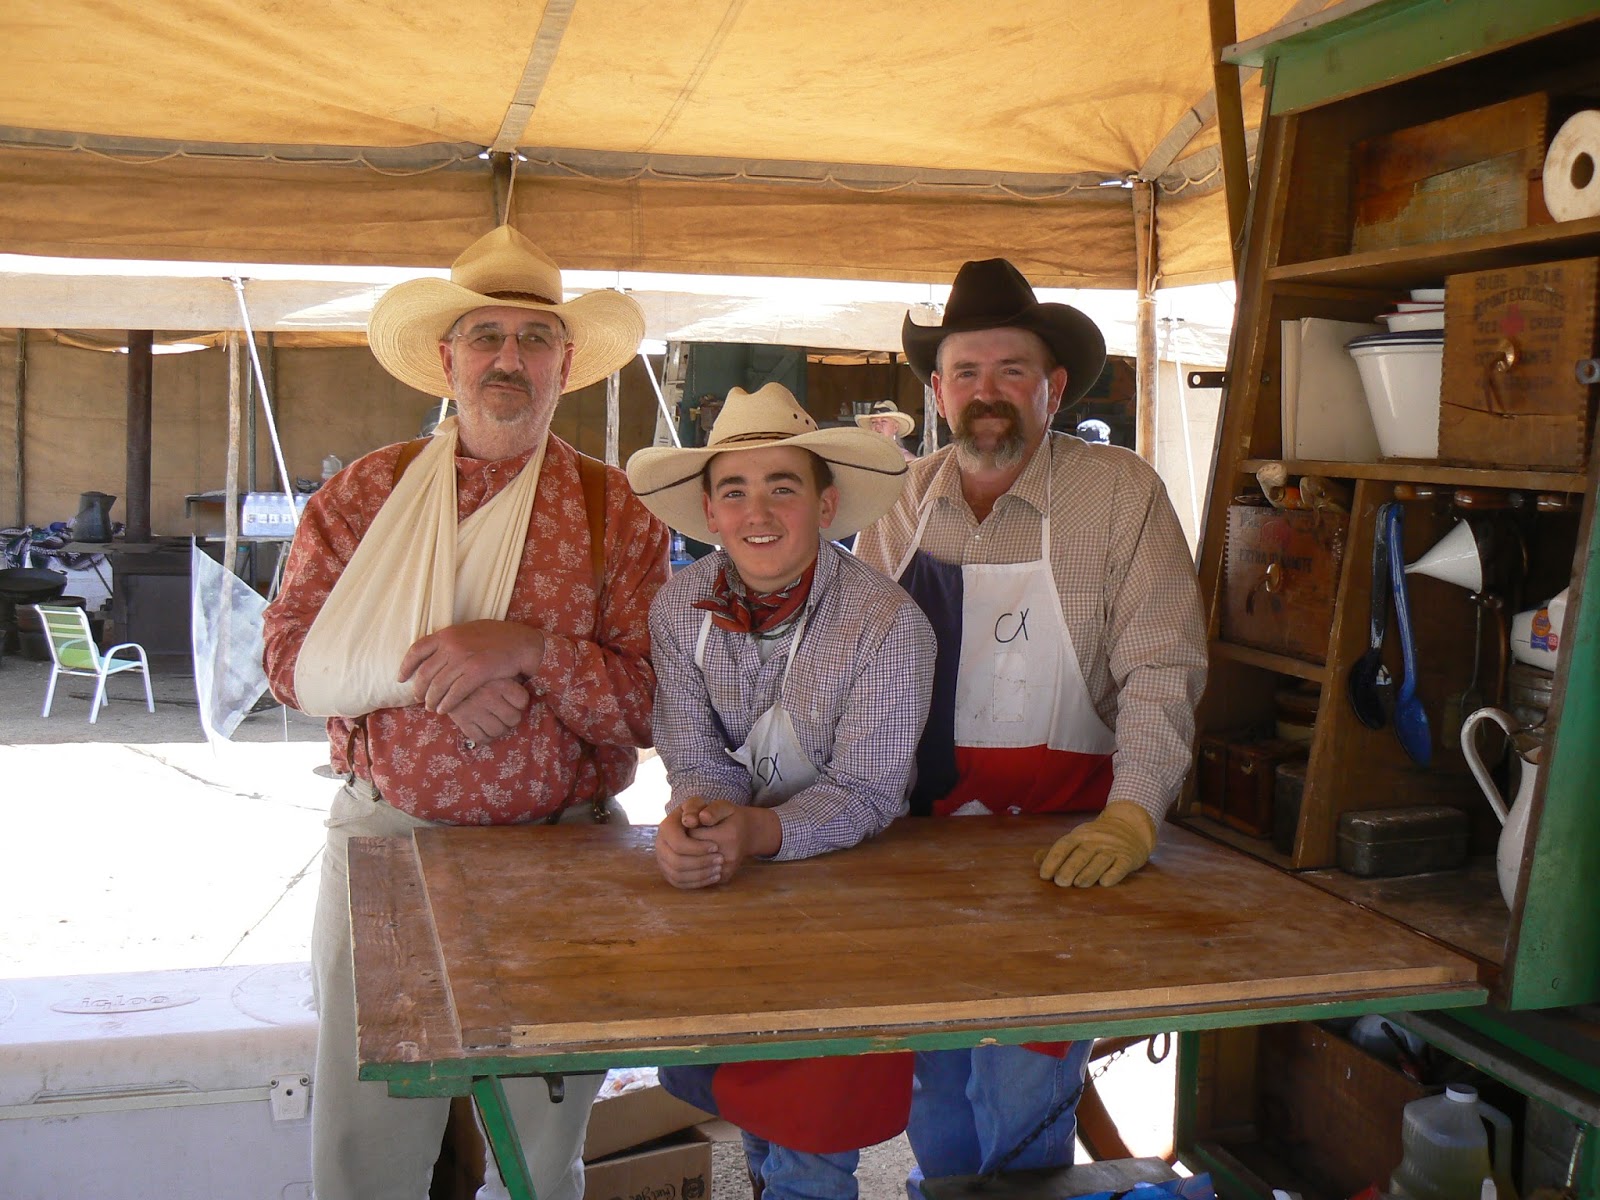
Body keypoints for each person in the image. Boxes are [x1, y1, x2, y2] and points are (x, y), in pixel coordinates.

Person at [261, 225, 670, 1200]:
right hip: (385, 848)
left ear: (567, 365)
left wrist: (526, 651)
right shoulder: (366, 495)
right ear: (446, 359)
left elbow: (652, 705)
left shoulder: (616, 510)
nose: (507, 359)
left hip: (561, 858)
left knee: (541, 1152)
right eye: (484, 336)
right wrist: (437, 672)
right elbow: (291, 664)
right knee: (368, 1144)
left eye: (533, 339)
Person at [854, 258, 1208, 1193]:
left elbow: (1162, 668)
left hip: (1064, 854)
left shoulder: (1120, 494)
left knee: (1018, 1093)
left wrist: (1134, 815)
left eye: (1012, 371)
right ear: (936, 391)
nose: (987, 395)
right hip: (921, 846)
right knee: (936, 1080)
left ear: (1052, 388)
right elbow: (853, 664)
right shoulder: (900, 499)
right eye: (965, 373)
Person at [626, 382, 937, 1200]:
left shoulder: (887, 623)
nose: (757, 512)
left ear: (827, 505)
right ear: (711, 511)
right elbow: (690, 749)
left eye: (782, 488)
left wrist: (757, 834)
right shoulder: (676, 605)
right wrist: (697, 818)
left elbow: (869, 791)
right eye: (735, 490)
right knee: (746, 1079)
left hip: (856, 899)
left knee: (816, 1119)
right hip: (734, 891)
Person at [856, 398, 919, 462]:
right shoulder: (863, 457)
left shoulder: (906, 460)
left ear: (895, 427)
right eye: (874, 422)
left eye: (883, 421)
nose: (877, 426)